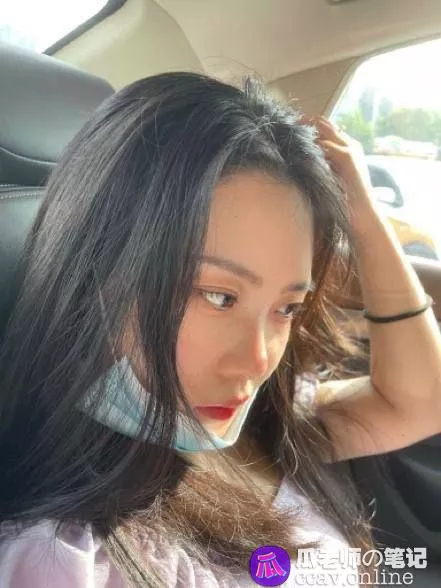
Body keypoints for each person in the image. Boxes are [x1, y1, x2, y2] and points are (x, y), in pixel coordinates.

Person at [0, 72, 439, 588]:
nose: (259, 361)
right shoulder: (65, 557)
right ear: (93, 271)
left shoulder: (260, 429)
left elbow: (421, 401)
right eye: (218, 296)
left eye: (287, 308)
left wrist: (364, 216)